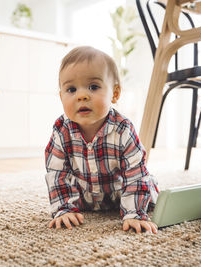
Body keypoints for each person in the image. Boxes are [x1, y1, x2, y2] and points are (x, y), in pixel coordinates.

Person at [45, 46, 159, 234]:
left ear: (114, 94)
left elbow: (135, 172)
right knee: (62, 184)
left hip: (120, 192)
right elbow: (57, 173)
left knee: (149, 189)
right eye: (71, 89)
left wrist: (134, 213)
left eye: (93, 87)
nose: (82, 95)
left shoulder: (123, 129)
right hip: (83, 197)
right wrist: (64, 208)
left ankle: (140, 202)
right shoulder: (61, 130)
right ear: (61, 97)